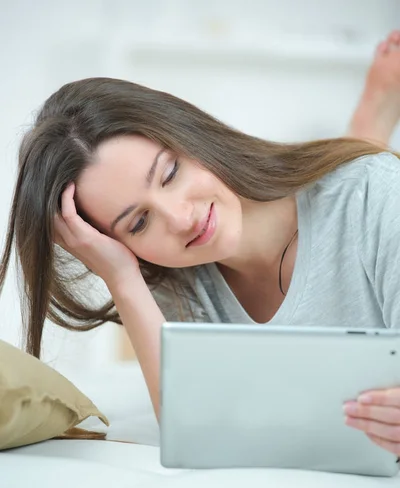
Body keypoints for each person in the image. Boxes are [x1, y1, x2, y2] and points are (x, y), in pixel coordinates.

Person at [1, 31, 400, 456]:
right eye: (138, 222)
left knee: (358, 185)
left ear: (190, 135)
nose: (181, 218)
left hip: (359, 193)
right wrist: (121, 276)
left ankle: (367, 127)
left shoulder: (374, 193)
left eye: (170, 173)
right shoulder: (178, 281)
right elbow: (192, 430)